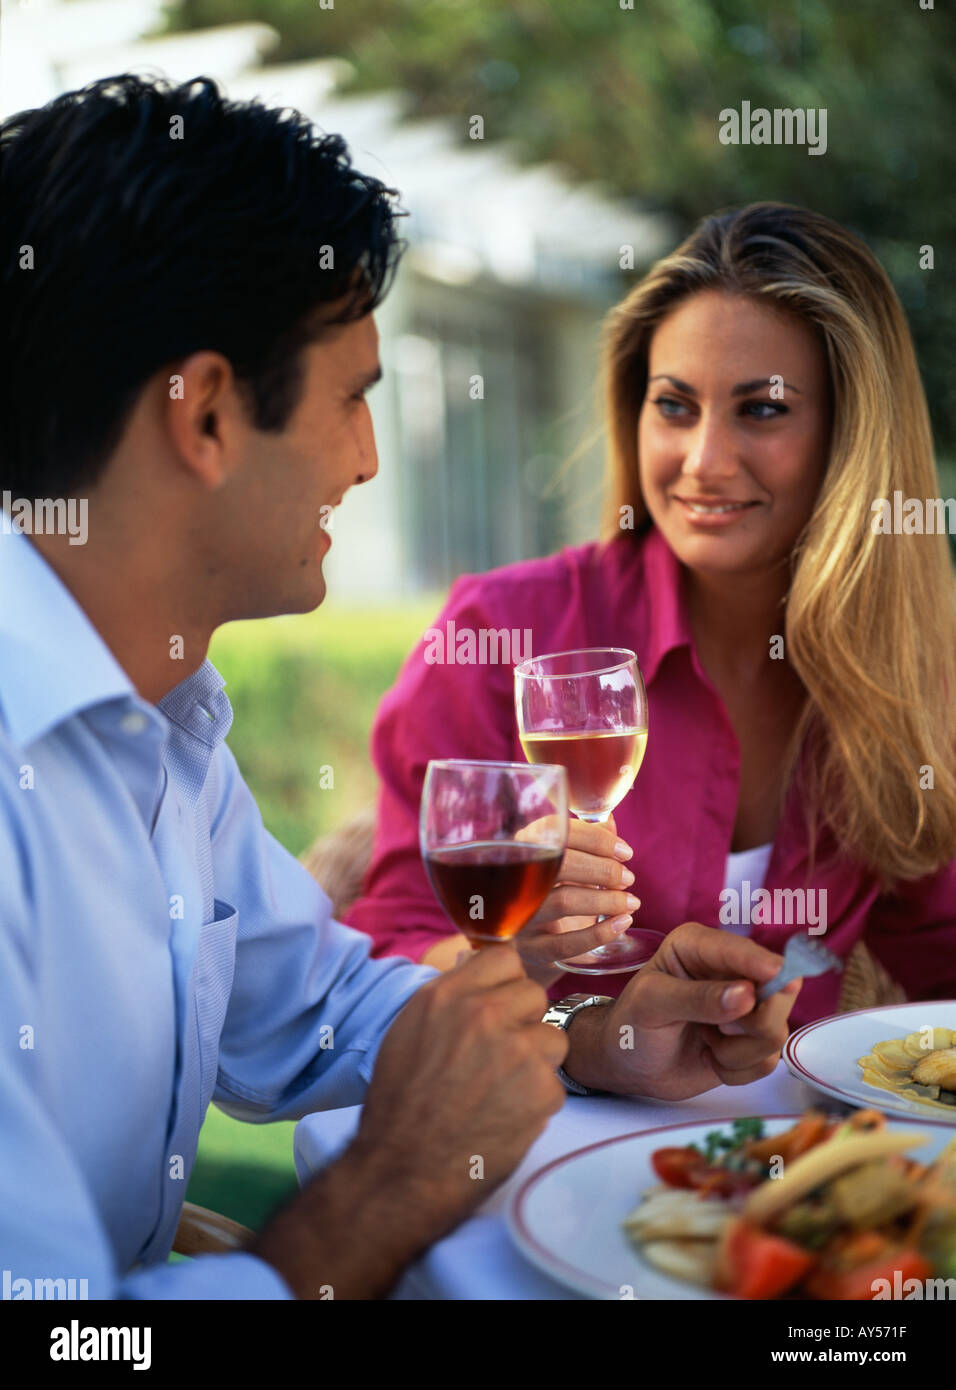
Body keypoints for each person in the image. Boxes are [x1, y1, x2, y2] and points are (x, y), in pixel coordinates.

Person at [0, 75, 798, 1302]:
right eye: (353, 399)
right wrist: (383, 1190)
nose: (370, 460)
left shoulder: (158, 722)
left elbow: (315, 1006)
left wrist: (591, 1040)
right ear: (206, 413)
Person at [346, 202, 956, 1024]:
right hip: (541, 1140)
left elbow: (939, 952)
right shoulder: (497, 635)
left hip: (788, 1147)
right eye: (674, 405)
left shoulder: (905, 670)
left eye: (762, 409)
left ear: (853, 435)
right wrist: (517, 958)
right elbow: (393, 954)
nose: (703, 461)